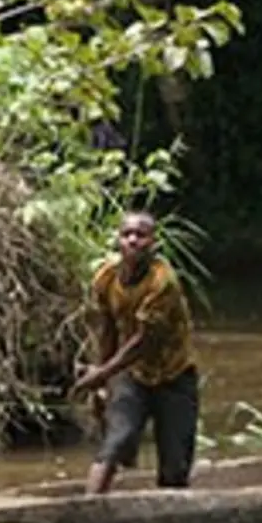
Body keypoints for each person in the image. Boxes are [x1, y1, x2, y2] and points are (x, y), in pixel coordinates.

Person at [73, 211, 200, 494]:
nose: (132, 240)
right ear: (118, 240)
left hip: (174, 376)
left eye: (141, 235)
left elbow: (144, 342)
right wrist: (101, 384)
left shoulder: (162, 282)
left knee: (175, 467)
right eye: (127, 234)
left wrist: (102, 373)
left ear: (153, 244)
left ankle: (171, 517)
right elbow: (108, 331)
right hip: (133, 373)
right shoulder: (106, 278)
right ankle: (89, 506)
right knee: (117, 441)